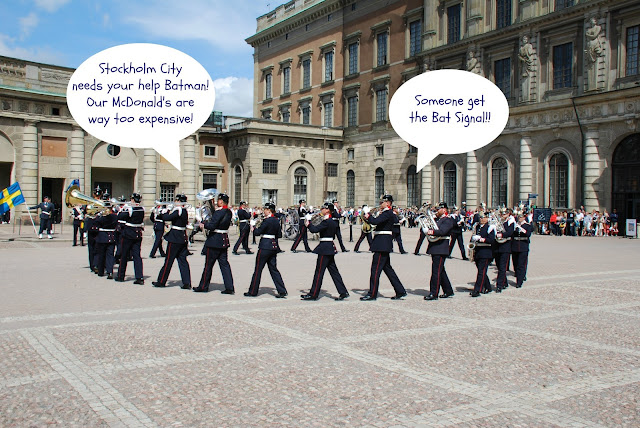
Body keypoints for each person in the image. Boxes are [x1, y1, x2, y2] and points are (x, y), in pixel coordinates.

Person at [360, 195, 406, 301]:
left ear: (388, 203)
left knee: (375, 270)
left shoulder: (388, 213)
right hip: (382, 243)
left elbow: (375, 222)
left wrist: (368, 215)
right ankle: (400, 291)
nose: (380, 204)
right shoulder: (386, 213)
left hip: (382, 244)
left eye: (382, 202)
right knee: (388, 269)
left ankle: (372, 294)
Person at [300, 203, 349, 301]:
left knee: (319, 272)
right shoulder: (331, 221)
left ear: (327, 210)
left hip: (325, 248)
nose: (321, 209)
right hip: (329, 246)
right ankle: (343, 291)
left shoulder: (326, 221)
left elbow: (314, 230)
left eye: (323, 208)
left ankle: (313, 294)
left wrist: (308, 223)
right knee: (334, 271)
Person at [193, 193, 235, 293]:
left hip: (215, 240)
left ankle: (203, 286)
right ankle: (229, 287)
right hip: (224, 240)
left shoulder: (219, 212)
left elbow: (212, 226)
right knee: (224, 265)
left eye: (218, 200)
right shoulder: (228, 212)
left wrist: (204, 224)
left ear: (221, 201)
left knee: (208, 265)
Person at [245, 202, 287, 298]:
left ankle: (253, 291)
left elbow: (258, 232)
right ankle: (282, 290)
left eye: (265, 209)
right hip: (273, 246)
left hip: (265, 246)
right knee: (273, 269)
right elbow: (279, 235)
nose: (264, 211)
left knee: (258, 269)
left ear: (269, 210)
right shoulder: (276, 220)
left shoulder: (267, 221)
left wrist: (253, 228)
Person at [153, 194, 192, 289]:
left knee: (169, 260)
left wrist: (164, 211)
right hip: (182, 237)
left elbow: (167, 218)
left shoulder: (178, 210)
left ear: (179, 201)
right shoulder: (184, 210)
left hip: (175, 237)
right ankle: (187, 282)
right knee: (183, 261)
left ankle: (161, 281)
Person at [424, 202, 455, 301]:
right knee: (441, 271)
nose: (436, 211)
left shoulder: (448, 220)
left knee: (436, 271)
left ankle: (434, 293)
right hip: (436, 247)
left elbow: (442, 232)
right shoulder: (438, 220)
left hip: (441, 248)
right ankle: (448, 290)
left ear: (444, 210)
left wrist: (429, 231)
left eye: (438, 209)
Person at [115, 193, 145, 284]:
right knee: (137, 256)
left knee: (124, 255)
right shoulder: (142, 209)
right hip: (137, 233)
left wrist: (121, 209)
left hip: (128, 233)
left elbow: (119, 217)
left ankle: (121, 276)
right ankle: (139, 277)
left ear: (132, 199)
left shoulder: (129, 209)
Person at [470, 212, 495, 297]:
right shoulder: (477, 226)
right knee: (482, 271)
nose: (481, 219)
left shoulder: (490, 227)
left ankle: (477, 290)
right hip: (478, 251)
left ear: (487, 218)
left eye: (483, 217)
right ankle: (488, 287)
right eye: (480, 217)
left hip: (486, 251)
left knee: (481, 271)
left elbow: (491, 240)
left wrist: (481, 239)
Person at [493, 208, 515, 292]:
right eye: (501, 214)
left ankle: (499, 285)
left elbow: (510, 232)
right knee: (498, 266)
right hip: (497, 246)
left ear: (508, 214)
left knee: (502, 267)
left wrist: (501, 234)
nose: (502, 215)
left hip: (505, 246)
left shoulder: (510, 222)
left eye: (504, 214)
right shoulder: (498, 222)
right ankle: (504, 282)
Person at [94, 206, 118, 279]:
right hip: (111, 237)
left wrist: (98, 215)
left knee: (101, 255)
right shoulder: (114, 217)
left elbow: (96, 223)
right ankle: (110, 271)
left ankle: (101, 271)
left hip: (102, 237)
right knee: (110, 255)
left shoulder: (101, 218)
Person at [511, 212, 533, 288]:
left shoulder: (527, 225)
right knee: (516, 263)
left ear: (524, 217)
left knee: (521, 265)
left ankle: (519, 281)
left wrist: (521, 229)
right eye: (519, 217)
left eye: (521, 217)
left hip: (523, 246)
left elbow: (528, 234)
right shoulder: (515, 225)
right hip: (515, 246)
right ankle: (519, 275)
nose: (520, 218)